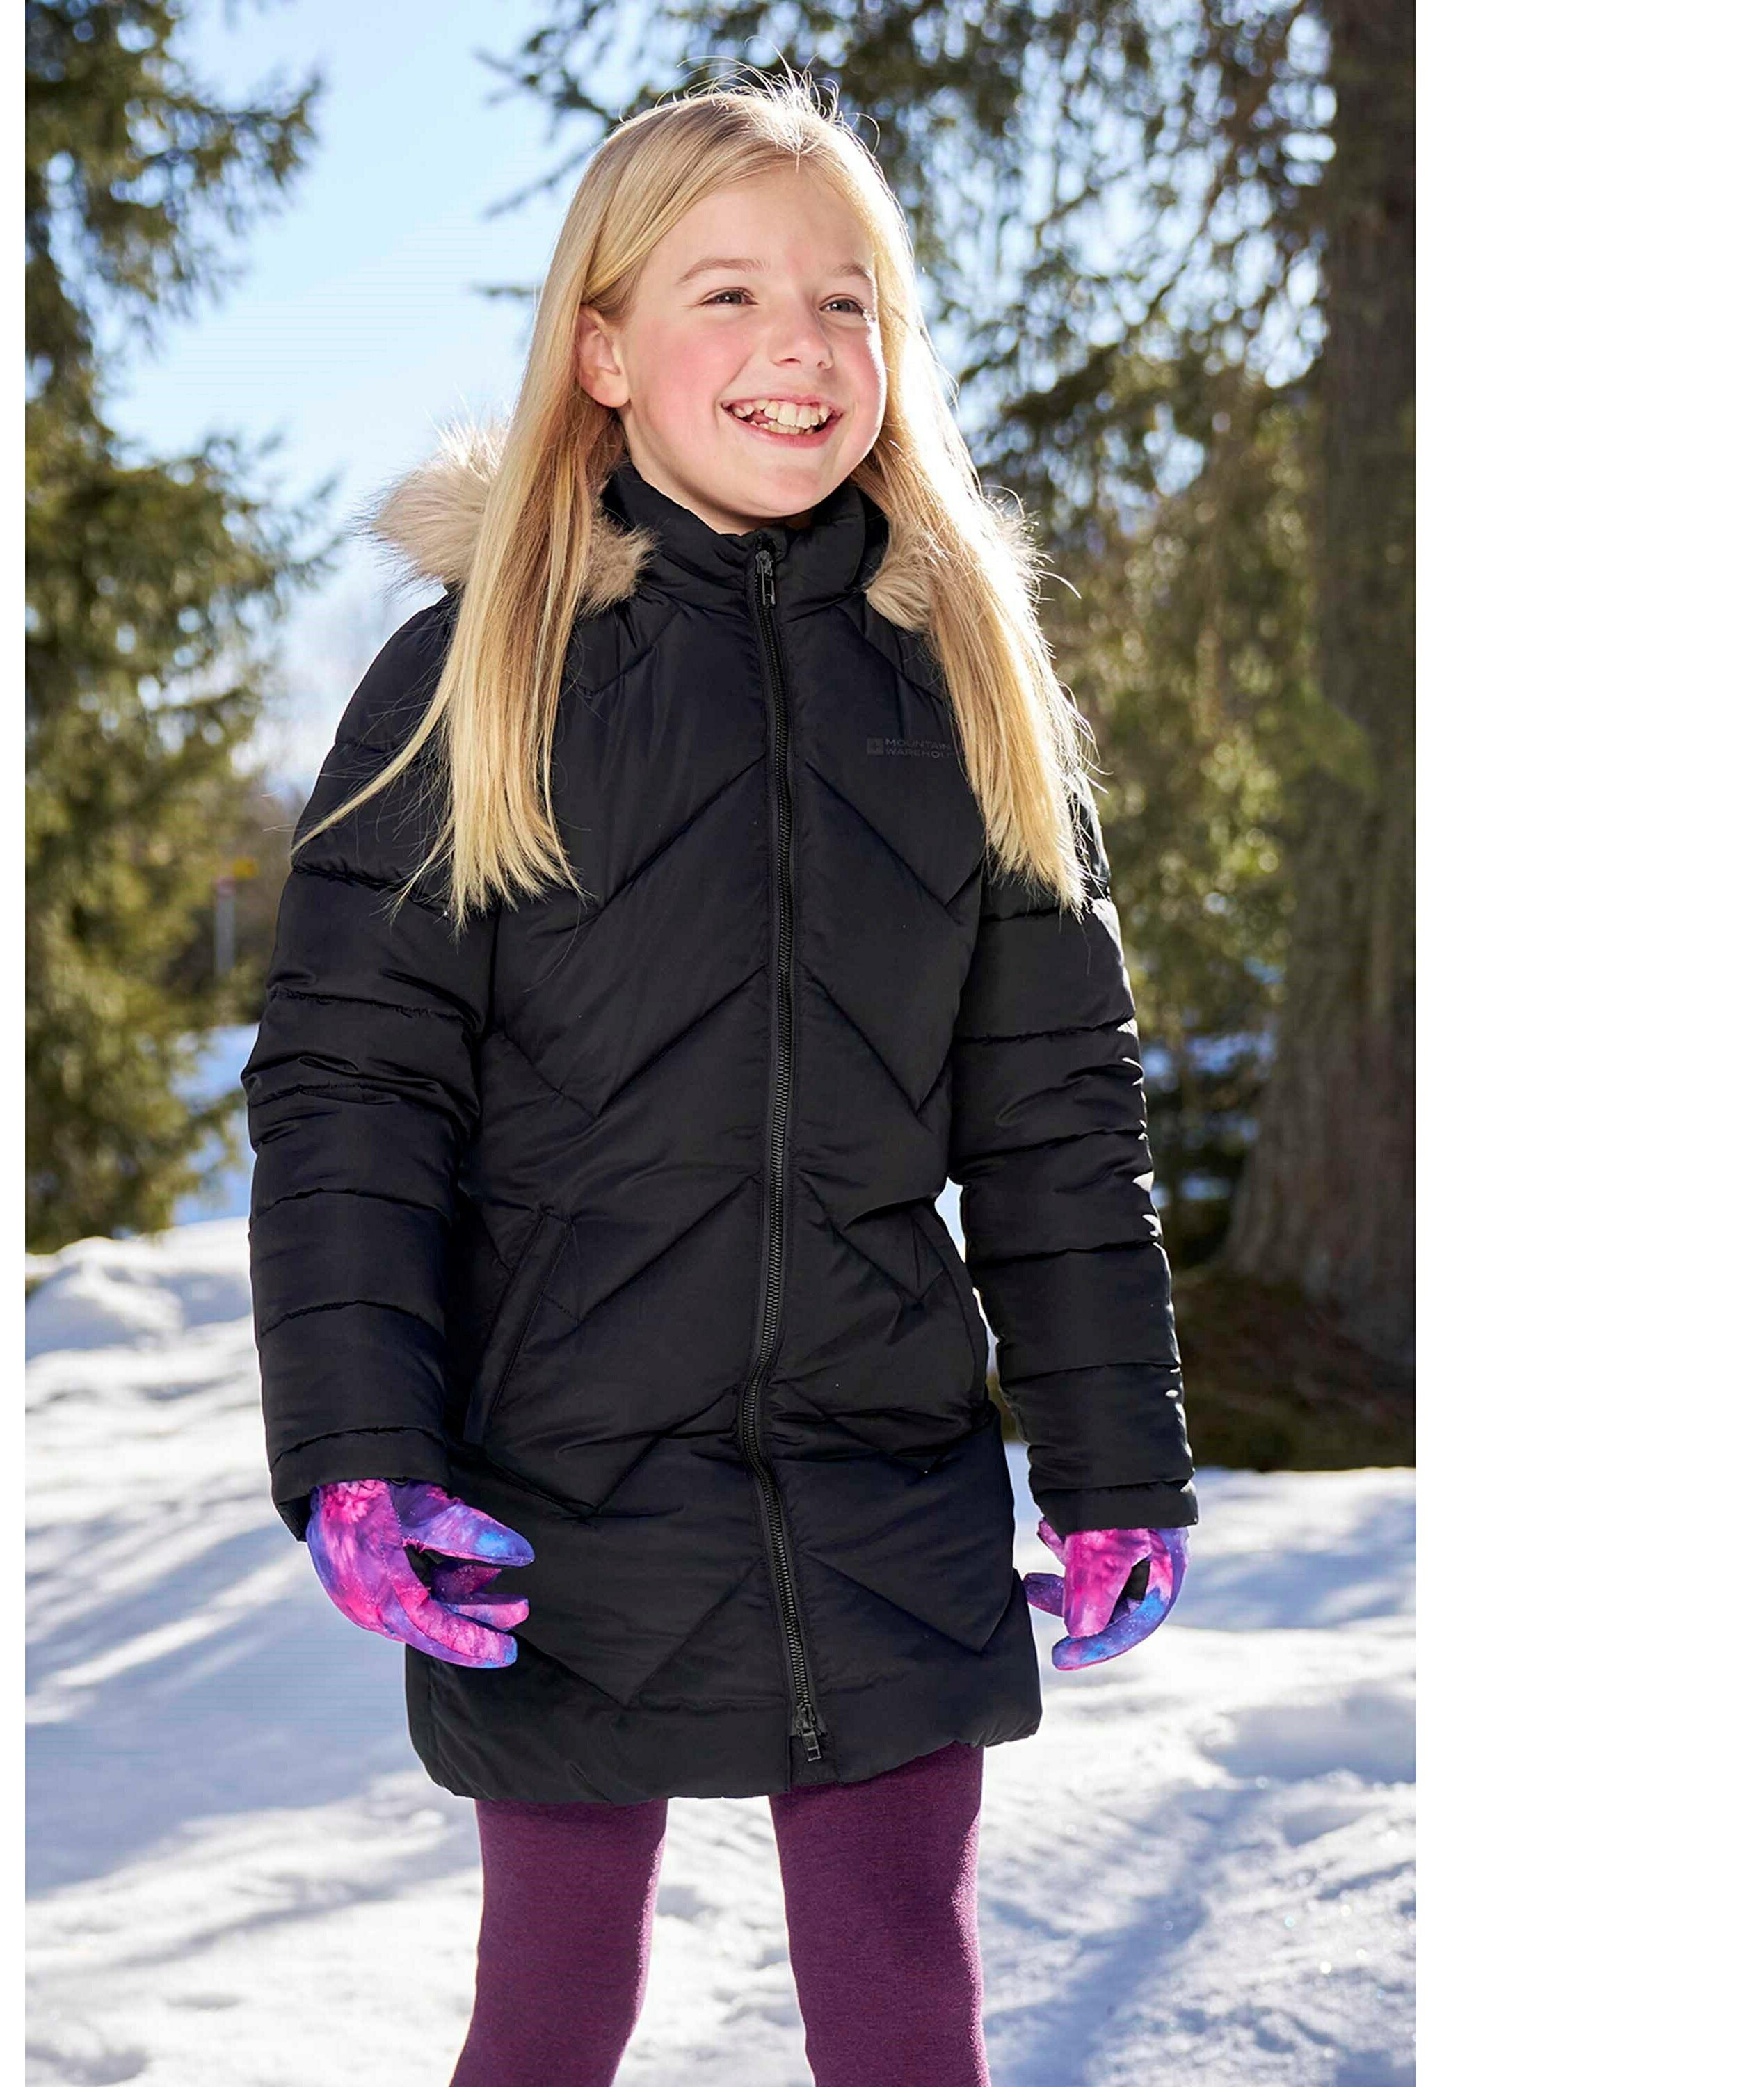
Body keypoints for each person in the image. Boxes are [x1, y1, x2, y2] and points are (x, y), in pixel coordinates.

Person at [240, 67, 1198, 2087]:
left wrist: (1115, 1464)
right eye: (729, 295)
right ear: (601, 351)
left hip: (885, 1463)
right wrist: (359, 1447)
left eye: (846, 300)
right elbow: (352, 1091)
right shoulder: (479, 675)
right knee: (554, 1998)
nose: (799, 345)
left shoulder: (969, 684)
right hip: (557, 1482)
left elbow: (1056, 1111)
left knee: (906, 1991)